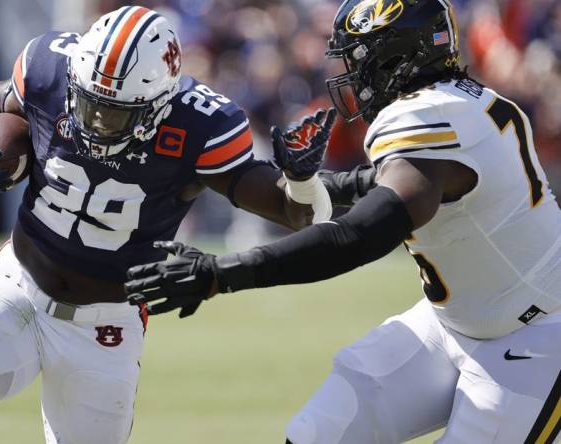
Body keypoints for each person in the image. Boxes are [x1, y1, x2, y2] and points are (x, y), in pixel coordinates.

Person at [0, 6, 373, 444]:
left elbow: (297, 214)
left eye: (113, 113)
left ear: (158, 104)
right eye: (89, 102)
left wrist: (302, 179)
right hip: (16, 282)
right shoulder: (52, 66)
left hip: (105, 324)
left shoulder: (201, 125)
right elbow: (2, 98)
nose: (94, 121)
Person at [125, 1, 561, 443]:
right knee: (320, 432)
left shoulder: (430, 120)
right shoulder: (466, 104)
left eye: (362, 61)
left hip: (535, 337)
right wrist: (305, 184)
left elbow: (362, 234)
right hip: (455, 323)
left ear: (399, 58)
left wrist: (223, 273)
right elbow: (389, 181)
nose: (354, 78)